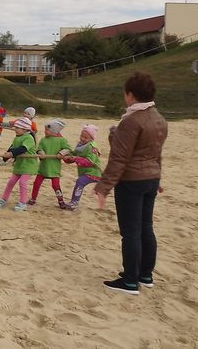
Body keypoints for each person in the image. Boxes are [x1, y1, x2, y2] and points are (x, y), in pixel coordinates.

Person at [95, 73, 167, 295]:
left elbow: (120, 158)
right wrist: (158, 178)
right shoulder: (159, 119)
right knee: (146, 226)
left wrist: (103, 187)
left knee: (131, 232)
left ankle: (129, 281)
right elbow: (156, 152)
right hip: (150, 179)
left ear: (131, 95)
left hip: (131, 181)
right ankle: (145, 275)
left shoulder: (131, 121)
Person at [0, 117, 38, 211]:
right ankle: (3, 199)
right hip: (19, 164)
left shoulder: (29, 138)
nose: (15, 129)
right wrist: (5, 157)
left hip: (29, 165)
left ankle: (23, 203)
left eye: (18, 128)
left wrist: (11, 154)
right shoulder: (17, 138)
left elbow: (22, 149)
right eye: (15, 127)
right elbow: (12, 148)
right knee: (10, 182)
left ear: (25, 129)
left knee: (22, 182)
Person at [30, 119, 71, 207]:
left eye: (47, 130)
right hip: (43, 168)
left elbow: (68, 149)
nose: (45, 131)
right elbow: (39, 149)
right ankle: (33, 199)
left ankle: (61, 201)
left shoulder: (61, 140)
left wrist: (61, 153)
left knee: (56, 186)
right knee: (36, 184)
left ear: (54, 131)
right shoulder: (43, 140)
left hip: (54, 168)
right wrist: (41, 153)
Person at [63, 124, 102, 211]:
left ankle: (74, 202)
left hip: (94, 172)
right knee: (80, 182)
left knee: (80, 182)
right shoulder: (80, 145)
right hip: (85, 172)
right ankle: (74, 202)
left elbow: (90, 162)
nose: (82, 138)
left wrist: (76, 158)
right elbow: (74, 155)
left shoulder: (92, 147)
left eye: (85, 137)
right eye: (81, 136)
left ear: (91, 138)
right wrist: (68, 158)